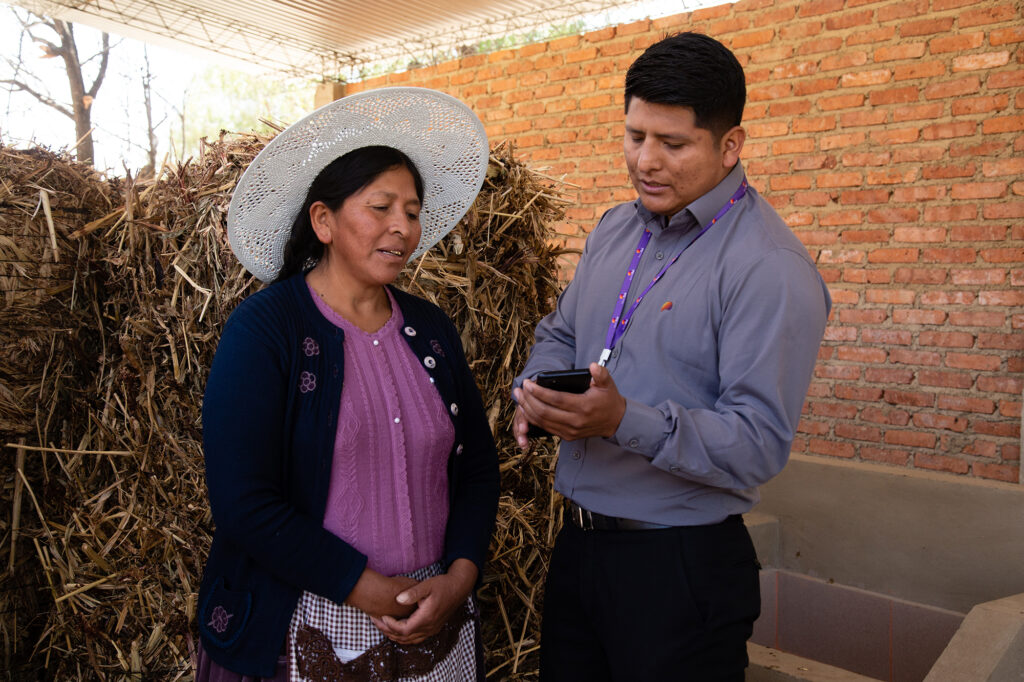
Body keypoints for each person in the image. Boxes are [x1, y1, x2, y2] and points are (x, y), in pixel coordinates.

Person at [512, 33, 831, 681]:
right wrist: (538, 392)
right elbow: (558, 331)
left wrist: (619, 419)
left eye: (673, 144)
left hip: (680, 570)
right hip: (576, 548)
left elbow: (758, 442)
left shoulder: (768, 268)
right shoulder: (614, 230)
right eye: (634, 136)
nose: (645, 162)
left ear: (730, 145)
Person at [196, 87, 499, 681]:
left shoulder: (431, 328)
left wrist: (460, 576)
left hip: (433, 621)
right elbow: (242, 501)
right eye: (380, 207)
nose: (402, 228)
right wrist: (364, 588)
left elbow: (477, 469)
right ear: (323, 221)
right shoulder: (268, 329)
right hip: (307, 620)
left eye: (411, 211)